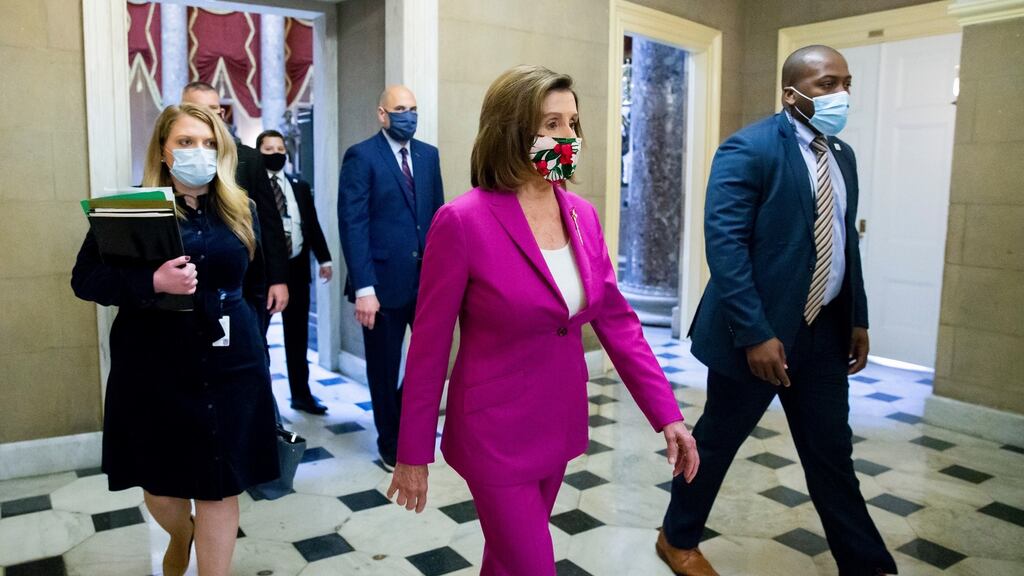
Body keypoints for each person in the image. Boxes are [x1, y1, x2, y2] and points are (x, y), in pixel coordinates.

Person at [386, 65, 700, 576]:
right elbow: (429, 345)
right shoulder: (463, 221)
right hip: (492, 433)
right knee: (534, 566)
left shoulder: (581, 215)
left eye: (572, 123)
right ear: (512, 131)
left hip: (557, 422)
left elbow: (618, 324)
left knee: (506, 562)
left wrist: (668, 415)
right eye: (551, 124)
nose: (568, 136)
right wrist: (412, 451)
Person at [657, 45, 898, 576]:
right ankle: (677, 537)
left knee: (833, 456)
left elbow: (842, 244)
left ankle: (868, 564)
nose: (841, 95)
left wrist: (857, 317)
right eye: (826, 84)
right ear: (792, 93)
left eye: (846, 83)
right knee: (717, 443)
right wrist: (755, 333)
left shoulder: (843, 155)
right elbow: (725, 247)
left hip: (825, 336)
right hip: (758, 339)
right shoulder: (749, 149)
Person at [71, 103, 279, 576]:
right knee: (161, 488)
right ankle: (179, 531)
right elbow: (85, 280)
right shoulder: (129, 209)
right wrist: (151, 283)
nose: (198, 152)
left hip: (232, 368)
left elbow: (255, 281)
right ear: (164, 151)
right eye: (186, 142)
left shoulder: (239, 207)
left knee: (221, 486)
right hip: (154, 368)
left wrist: (252, 344)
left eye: (208, 143)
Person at [337, 85, 444, 469]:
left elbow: (439, 219)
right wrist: (364, 288)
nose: (408, 116)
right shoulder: (362, 156)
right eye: (400, 109)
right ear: (382, 114)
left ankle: (406, 423)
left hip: (427, 284)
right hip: (379, 288)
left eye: (413, 108)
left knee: (429, 362)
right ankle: (389, 442)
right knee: (383, 369)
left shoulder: (428, 156)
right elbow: (353, 224)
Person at [181, 82, 290, 328]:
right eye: (198, 110)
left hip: (244, 282)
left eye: (214, 109)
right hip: (189, 283)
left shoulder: (249, 160)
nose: (208, 117)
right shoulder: (174, 160)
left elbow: (270, 223)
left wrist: (278, 279)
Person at [257, 129, 334, 415]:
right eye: (269, 149)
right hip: (263, 274)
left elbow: (310, 224)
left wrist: (324, 258)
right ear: (257, 153)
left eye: (280, 148)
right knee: (258, 337)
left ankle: (301, 394)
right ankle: (262, 402)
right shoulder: (252, 187)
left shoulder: (298, 185)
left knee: (297, 336)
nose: (276, 153)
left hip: (297, 269)